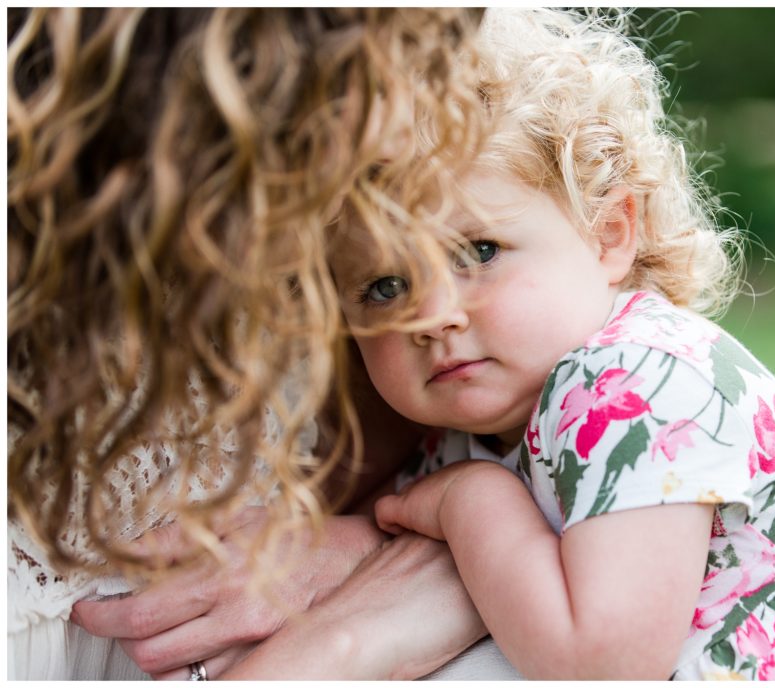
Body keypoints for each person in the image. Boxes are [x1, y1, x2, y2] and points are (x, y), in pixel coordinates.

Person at [328, 7, 775, 680]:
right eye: (384, 287)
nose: (432, 315)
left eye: (479, 250)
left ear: (608, 234)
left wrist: (468, 502)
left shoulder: (630, 377)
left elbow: (602, 664)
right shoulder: (454, 435)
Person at [8, 7, 520, 680]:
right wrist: (336, 648)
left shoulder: (323, 257)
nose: (401, 136)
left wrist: (410, 551)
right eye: (362, 66)